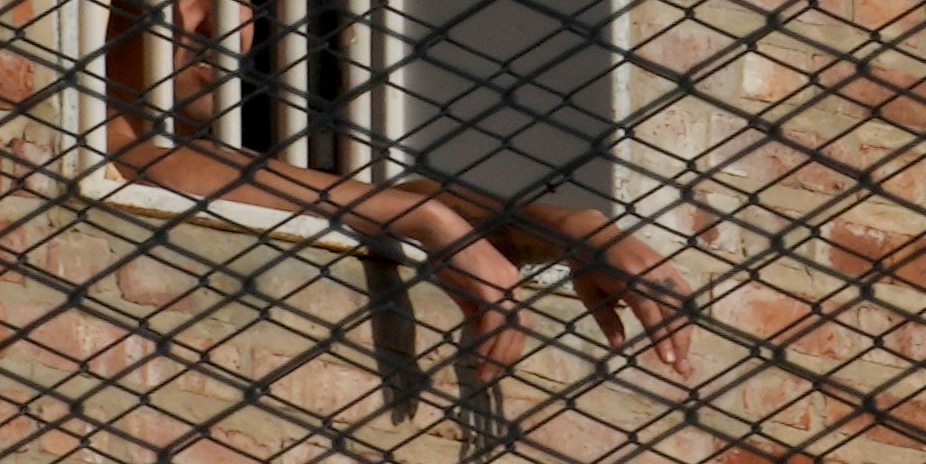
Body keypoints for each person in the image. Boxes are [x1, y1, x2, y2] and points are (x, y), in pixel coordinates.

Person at [111, 127, 694, 392]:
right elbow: (131, 159)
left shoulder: (228, 135)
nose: (216, 15)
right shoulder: (83, 110)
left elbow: (363, 193)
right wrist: (426, 220)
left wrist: (571, 228)